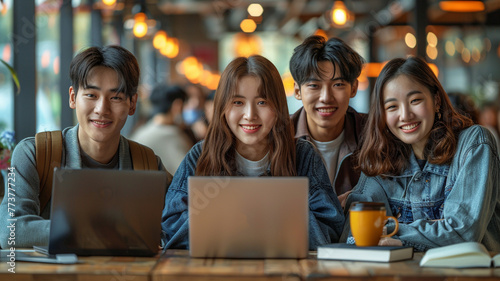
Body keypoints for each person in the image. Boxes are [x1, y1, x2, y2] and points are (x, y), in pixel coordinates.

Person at [162, 55, 344, 250]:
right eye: (238, 102)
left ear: (278, 107)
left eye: (262, 102)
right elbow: (171, 226)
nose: (250, 115)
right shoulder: (201, 155)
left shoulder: (302, 154)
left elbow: (331, 227)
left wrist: (248, 217)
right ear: (222, 107)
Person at [0, 46, 172, 248]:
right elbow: (9, 231)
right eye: (91, 95)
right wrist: (95, 231)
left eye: (115, 97)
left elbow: (175, 227)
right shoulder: (35, 154)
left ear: (132, 103)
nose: (102, 109)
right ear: (73, 97)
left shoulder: (147, 162)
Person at [342, 56, 500, 252]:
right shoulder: (381, 160)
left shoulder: (474, 143)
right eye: (392, 106)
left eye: (415, 100)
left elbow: (463, 231)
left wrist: (391, 232)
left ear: (436, 100)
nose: (405, 115)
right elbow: (355, 235)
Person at [289, 35, 366, 207]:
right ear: (297, 90)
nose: (326, 98)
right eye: (314, 86)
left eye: (338, 85)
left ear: (353, 88)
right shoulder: (280, 137)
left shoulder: (373, 133)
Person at [130, 84, 194, 175]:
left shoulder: (141, 131)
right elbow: (189, 174)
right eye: (186, 105)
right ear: (177, 105)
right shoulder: (172, 135)